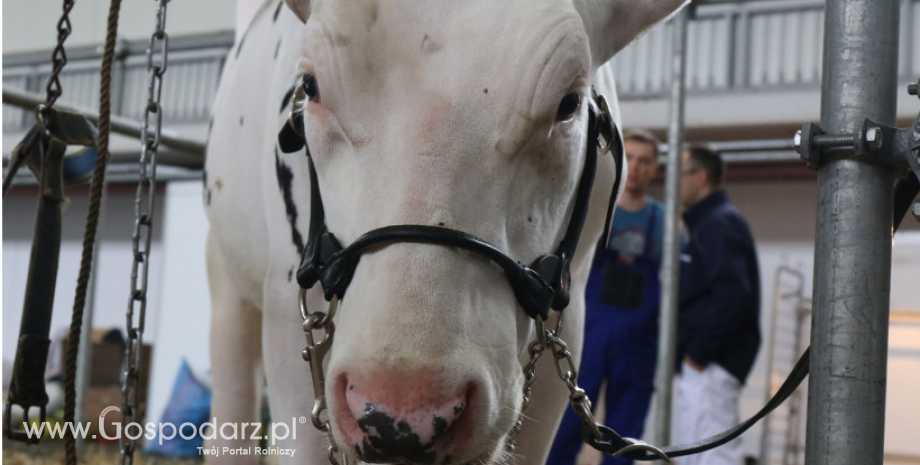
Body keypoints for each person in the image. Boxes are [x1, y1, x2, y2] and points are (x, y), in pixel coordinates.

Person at [548, 129, 665, 465]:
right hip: (591, 333)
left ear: (656, 168)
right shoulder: (594, 212)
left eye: (646, 161)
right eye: (632, 158)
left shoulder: (664, 224)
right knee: (567, 422)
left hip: (638, 342)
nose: (638, 167)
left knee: (625, 435)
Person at [675, 146, 761, 465]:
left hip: (712, 362)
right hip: (708, 361)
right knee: (696, 451)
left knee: (712, 455)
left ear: (700, 178)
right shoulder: (708, 222)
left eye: (680, 175)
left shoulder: (717, 223)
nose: (675, 183)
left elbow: (733, 294)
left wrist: (699, 352)